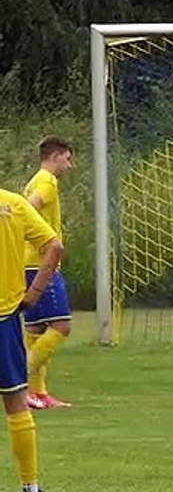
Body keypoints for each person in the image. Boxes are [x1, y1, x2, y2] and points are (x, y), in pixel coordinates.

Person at [0, 185, 64, 492]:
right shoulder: (13, 204)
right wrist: (34, 293)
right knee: (15, 403)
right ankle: (31, 489)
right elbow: (54, 245)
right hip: (5, 318)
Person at [23, 136, 75, 409]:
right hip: (42, 262)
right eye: (67, 159)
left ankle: (37, 393)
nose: (69, 165)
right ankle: (18, 377)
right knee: (61, 326)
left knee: (35, 329)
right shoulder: (47, 181)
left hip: (27, 262)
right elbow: (29, 207)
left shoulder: (34, 179)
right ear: (55, 157)